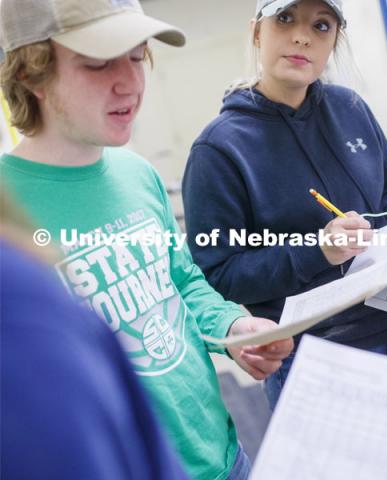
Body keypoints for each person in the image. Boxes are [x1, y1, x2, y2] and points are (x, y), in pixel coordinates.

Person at [0, 1, 293, 478]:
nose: (130, 82)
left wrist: (232, 330)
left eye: (137, 57)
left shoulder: (136, 172)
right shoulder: (5, 212)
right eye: (98, 63)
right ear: (32, 72)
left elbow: (180, 283)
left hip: (221, 455)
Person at [182, 0, 387, 411]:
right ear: (256, 32)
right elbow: (221, 273)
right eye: (285, 19)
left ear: (334, 41)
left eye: (321, 25)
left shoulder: (351, 108)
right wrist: (318, 250)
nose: (302, 35)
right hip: (319, 356)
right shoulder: (219, 149)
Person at [0, 192, 189, 480]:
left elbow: (184, 278)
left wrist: (228, 323)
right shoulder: (17, 294)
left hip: (207, 441)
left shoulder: (137, 175)